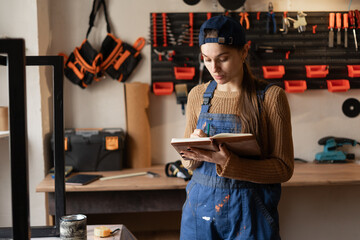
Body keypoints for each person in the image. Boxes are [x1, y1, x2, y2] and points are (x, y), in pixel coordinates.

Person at [179, 15, 294, 240]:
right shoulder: (197, 95)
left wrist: (229, 163)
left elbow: (284, 169)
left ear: (244, 52)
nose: (214, 68)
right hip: (199, 211)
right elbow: (188, 164)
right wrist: (193, 149)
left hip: (250, 216)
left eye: (223, 58)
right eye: (207, 59)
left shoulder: (270, 97)